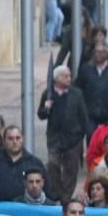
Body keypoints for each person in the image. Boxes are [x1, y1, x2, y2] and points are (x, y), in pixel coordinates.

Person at [38, 65, 89, 204]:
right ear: (57, 78)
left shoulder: (76, 93)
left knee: (71, 170)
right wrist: (46, 108)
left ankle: (66, 199)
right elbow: (41, 115)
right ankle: (58, 194)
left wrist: (85, 134)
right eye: (66, 76)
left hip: (73, 138)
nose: (69, 79)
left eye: (69, 76)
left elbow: (83, 115)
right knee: (53, 166)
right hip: (55, 138)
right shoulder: (47, 93)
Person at [0, 125, 47, 202]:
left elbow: (49, 194)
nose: (14, 142)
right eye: (10, 138)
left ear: (23, 139)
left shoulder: (35, 163)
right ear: (4, 141)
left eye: (18, 138)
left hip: (27, 212)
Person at [77, 43, 108, 128]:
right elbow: (79, 88)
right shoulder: (85, 69)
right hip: (90, 112)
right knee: (91, 135)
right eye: (96, 52)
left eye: (101, 52)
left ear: (107, 53)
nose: (98, 54)